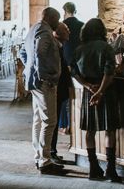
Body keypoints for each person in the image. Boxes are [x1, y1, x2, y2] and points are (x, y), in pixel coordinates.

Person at [71, 17, 121, 182]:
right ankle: (111, 169)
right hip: (105, 91)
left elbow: (74, 71)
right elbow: (109, 72)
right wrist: (100, 91)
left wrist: (87, 85)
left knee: (90, 130)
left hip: (89, 91)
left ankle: (93, 168)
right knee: (110, 129)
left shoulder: (79, 49)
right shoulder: (106, 48)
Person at [20, 7, 67, 176]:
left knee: (38, 119)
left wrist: (28, 69)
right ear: (50, 18)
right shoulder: (46, 32)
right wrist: (44, 75)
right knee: (50, 121)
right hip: (44, 83)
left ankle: (38, 156)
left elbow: (22, 52)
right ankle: (45, 161)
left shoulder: (34, 29)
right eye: (57, 18)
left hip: (34, 81)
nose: (58, 22)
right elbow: (40, 52)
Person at [58, 2, 84, 136]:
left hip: (64, 62)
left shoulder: (61, 26)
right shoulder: (82, 25)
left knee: (63, 96)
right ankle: (75, 122)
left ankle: (63, 125)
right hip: (78, 63)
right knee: (78, 94)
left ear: (65, 11)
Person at [49, 21, 72, 165]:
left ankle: (53, 151)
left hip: (60, 89)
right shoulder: (54, 47)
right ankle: (51, 152)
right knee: (53, 122)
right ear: (58, 33)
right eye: (66, 30)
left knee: (55, 121)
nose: (69, 32)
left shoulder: (60, 46)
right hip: (55, 88)